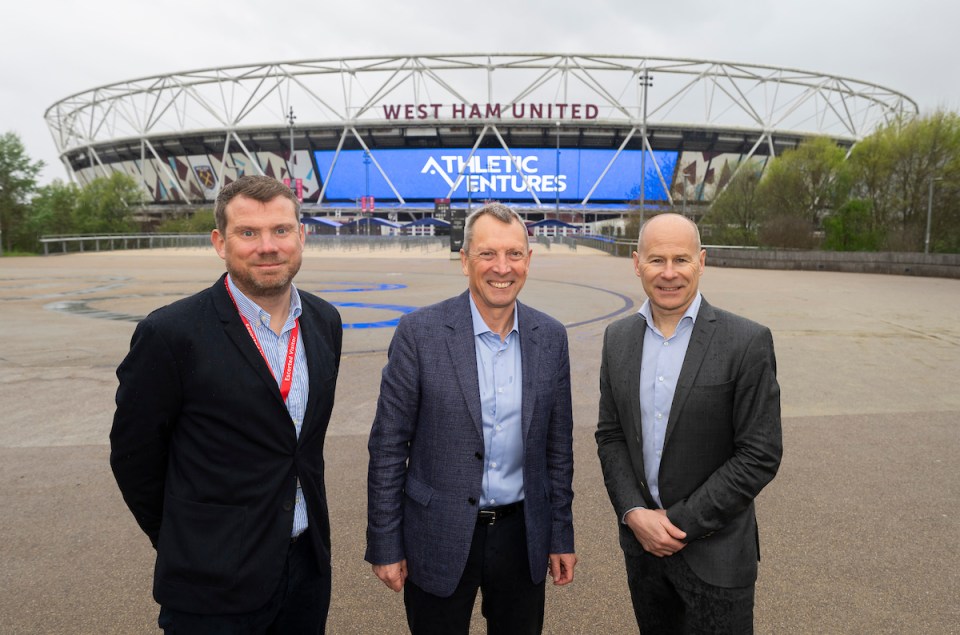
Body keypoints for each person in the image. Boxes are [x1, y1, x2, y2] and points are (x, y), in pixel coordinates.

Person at [110, 175, 342, 634]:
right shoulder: (171, 333)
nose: (268, 246)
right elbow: (134, 457)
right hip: (211, 583)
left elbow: (302, 449)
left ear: (301, 235)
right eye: (248, 232)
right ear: (220, 241)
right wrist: (188, 540)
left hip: (305, 570)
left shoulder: (324, 321)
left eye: (281, 230)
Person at [366, 202, 576, 634]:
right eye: (487, 254)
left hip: (521, 536)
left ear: (529, 260)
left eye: (515, 254)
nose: (503, 267)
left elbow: (558, 449)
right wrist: (385, 542)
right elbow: (388, 446)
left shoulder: (550, 337)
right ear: (464, 261)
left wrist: (560, 535)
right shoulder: (419, 334)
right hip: (436, 533)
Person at [595, 213, 782, 634]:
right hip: (643, 555)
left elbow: (760, 453)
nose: (669, 273)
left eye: (681, 259)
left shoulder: (746, 341)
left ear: (702, 261)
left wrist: (678, 522)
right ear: (636, 262)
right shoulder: (618, 338)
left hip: (716, 556)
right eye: (656, 260)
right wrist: (633, 513)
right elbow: (611, 436)